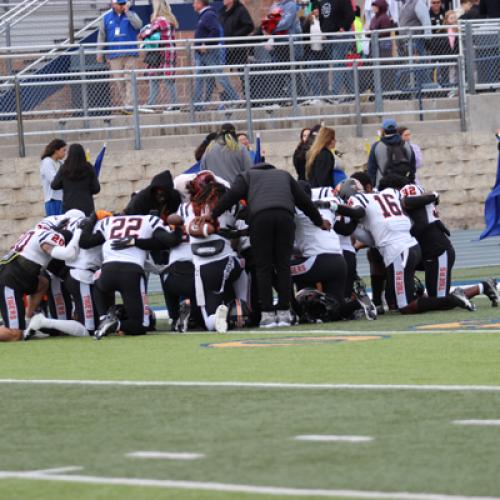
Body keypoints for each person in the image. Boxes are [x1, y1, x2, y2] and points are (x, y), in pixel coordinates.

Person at [211, 163, 328, 328]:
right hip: (285, 217)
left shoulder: (247, 175)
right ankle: (284, 312)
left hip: (260, 218)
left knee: (263, 267)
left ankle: (267, 315)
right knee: (283, 266)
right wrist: (319, 221)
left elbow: (231, 196)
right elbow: (304, 201)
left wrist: (211, 215)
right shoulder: (284, 175)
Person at [79, 212, 182, 339]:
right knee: (141, 325)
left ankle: (104, 318)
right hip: (131, 273)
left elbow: (84, 242)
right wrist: (178, 227)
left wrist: (92, 218)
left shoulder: (109, 221)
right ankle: (116, 325)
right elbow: (170, 241)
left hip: (107, 272)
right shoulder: (149, 219)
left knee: (97, 282)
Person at [0, 216, 85, 341]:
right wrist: (77, 234)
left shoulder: (34, 231)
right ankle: (16, 325)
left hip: (18, 274)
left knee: (43, 283)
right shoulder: (50, 236)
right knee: (15, 334)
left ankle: (28, 319)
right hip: (10, 280)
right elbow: (68, 254)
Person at [96, 0, 143, 113]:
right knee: (118, 80)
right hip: (114, 54)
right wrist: (99, 53)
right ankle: (127, 103)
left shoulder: (131, 14)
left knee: (129, 78)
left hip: (130, 53)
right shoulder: (106, 18)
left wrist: (128, 12)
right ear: (113, 4)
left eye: (123, 3)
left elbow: (139, 25)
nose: (122, 6)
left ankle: (130, 105)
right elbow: (102, 36)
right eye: (120, 4)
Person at [192, 0, 239, 110]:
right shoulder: (203, 15)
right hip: (201, 54)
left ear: (200, 3)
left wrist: (206, 44)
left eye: (194, 2)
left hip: (209, 53)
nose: (193, 5)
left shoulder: (208, 15)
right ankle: (199, 105)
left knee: (220, 76)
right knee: (201, 78)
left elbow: (216, 31)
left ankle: (235, 99)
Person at [138, 0, 178, 112]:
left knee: (167, 79)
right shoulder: (169, 19)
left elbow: (145, 33)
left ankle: (174, 104)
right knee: (155, 77)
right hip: (165, 53)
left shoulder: (161, 21)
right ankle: (152, 103)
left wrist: (143, 32)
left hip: (164, 54)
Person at [50, 144, 101, 216]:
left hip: (69, 208)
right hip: (87, 208)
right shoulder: (89, 168)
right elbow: (96, 189)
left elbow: (54, 185)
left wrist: (66, 184)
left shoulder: (64, 168)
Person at [318, 0, 355, 99]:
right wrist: (323, 30)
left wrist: (343, 27)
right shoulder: (322, 2)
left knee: (337, 63)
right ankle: (353, 92)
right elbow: (322, 18)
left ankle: (335, 94)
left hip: (340, 36)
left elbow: (351, 15)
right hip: (328, 37)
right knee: (341, 64)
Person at [367, 118, 416, 188]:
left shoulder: (377, 146)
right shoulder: (407, 145)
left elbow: (371, 170)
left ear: (383, 130)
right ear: (396, 130)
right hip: (404, 186)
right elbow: (412, 168)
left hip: (383, 187)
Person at [219, 0, 254, 91]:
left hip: (238, 48)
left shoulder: (240, 10)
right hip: (225, 48)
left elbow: (249, 26)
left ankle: (249, 98)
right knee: (222, 75)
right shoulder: (222, 11)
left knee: (243, 74)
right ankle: (229, 100)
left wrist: (235, 37)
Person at [301, 6, 328, 104]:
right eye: (315, 8)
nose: (317, 10)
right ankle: (316, 96)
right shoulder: (308, 21)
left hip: (322, 51)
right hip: (311, 51)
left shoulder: (324, 19)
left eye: (318, 8)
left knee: (324, 75)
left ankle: (325, 96)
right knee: (313, 74)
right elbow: (304, 36)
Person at [39, 139, 66, 216]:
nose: (65, 153)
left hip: (62, 200)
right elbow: (54, 180)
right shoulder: (47, 162)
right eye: (63, 150)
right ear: (56, 150)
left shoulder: (61, 162)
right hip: (53, 200)